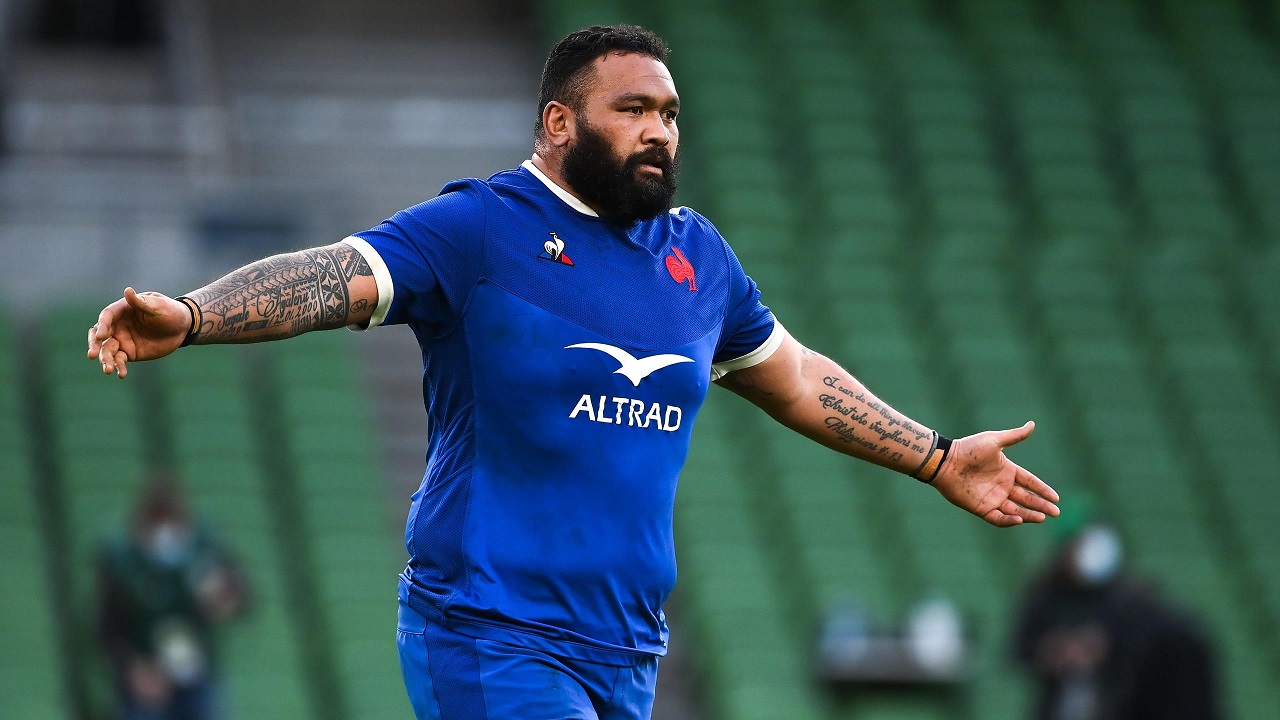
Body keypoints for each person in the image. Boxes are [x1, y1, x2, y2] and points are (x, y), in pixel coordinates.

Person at [87, 25, 1059, 720]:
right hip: (489, 627)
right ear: (558, 122)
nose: (659, 131)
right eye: (632, 109)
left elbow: (797, 378)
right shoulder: (480, 228)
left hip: (626, 645)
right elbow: (334, 277)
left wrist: (937, 457)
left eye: (669, 114)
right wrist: (196, 315)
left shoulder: (698, 259)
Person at [1014, 503, 1221, 720]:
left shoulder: (1133, 602)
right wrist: (1055, 651)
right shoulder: (1046, 597)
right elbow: (1024, 647)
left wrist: (1104, 647)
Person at [98, 475, 246, 720]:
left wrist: (224, 599)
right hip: (145, 675)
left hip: (195, 673)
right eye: (157, 520)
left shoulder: (204, 549)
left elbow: (240, 599)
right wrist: (133, 669)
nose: (165, 532)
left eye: (171, 519)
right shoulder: (119, 560)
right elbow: (107, 627)